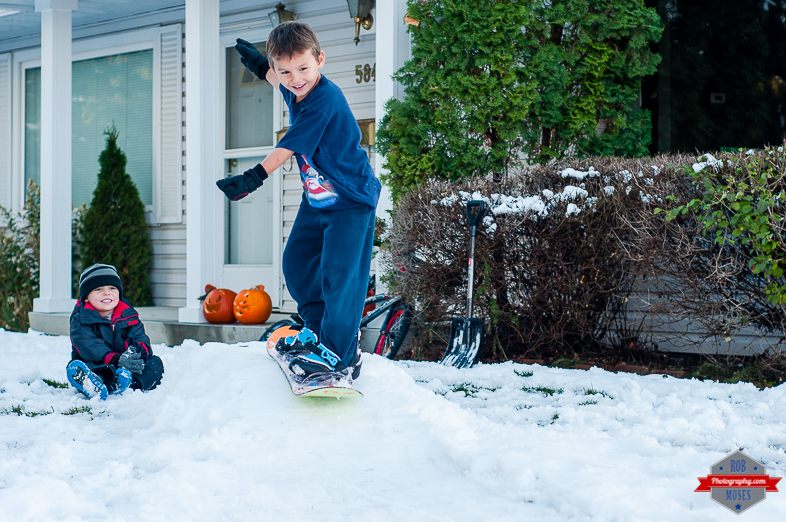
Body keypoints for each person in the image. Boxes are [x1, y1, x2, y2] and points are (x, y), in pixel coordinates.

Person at [217, 21, 380, 380]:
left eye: (303, 68)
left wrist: (252, 177)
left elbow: (286, 146)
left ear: (320, 60)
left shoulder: (324, 100)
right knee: (296, 263)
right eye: (286, 70)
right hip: (319, 198)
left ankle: (340, 354)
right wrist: (261, 65)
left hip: (351, 200)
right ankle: (319, 333)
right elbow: (280, 83)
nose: (295, 78)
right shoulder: (296, 86)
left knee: (340, 275)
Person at [67, 263, 164, 400]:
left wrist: (136, 355)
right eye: (98, 289)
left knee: (154, 363)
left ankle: (129, 382)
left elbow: (140, 337)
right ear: (86, 297)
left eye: (112, 288)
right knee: (84, 367)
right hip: (98, 364)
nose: (107, 293)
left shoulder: (128, 315)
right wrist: (117, 360)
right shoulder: (81, 318)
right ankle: (93, 382)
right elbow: (89, 346)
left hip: (126, 366)